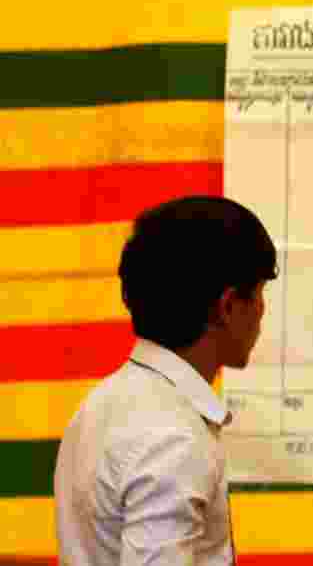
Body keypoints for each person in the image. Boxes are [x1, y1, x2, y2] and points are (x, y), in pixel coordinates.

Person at [54, 196, 278, 565]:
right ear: (227, 306)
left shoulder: (100, 404)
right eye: (257, 293)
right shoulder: (172, 437)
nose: (262, 309)